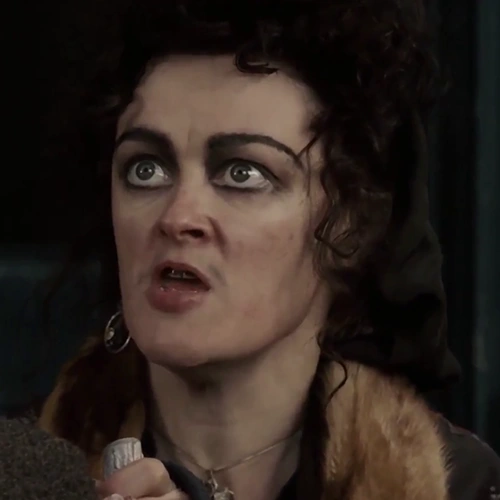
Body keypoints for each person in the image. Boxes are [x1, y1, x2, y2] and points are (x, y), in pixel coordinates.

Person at [33, 0, 499, 499]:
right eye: (145, 169)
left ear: (349, 226)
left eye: (243, 173)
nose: (177, 216)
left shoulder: (460, 486)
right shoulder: (25, 474)